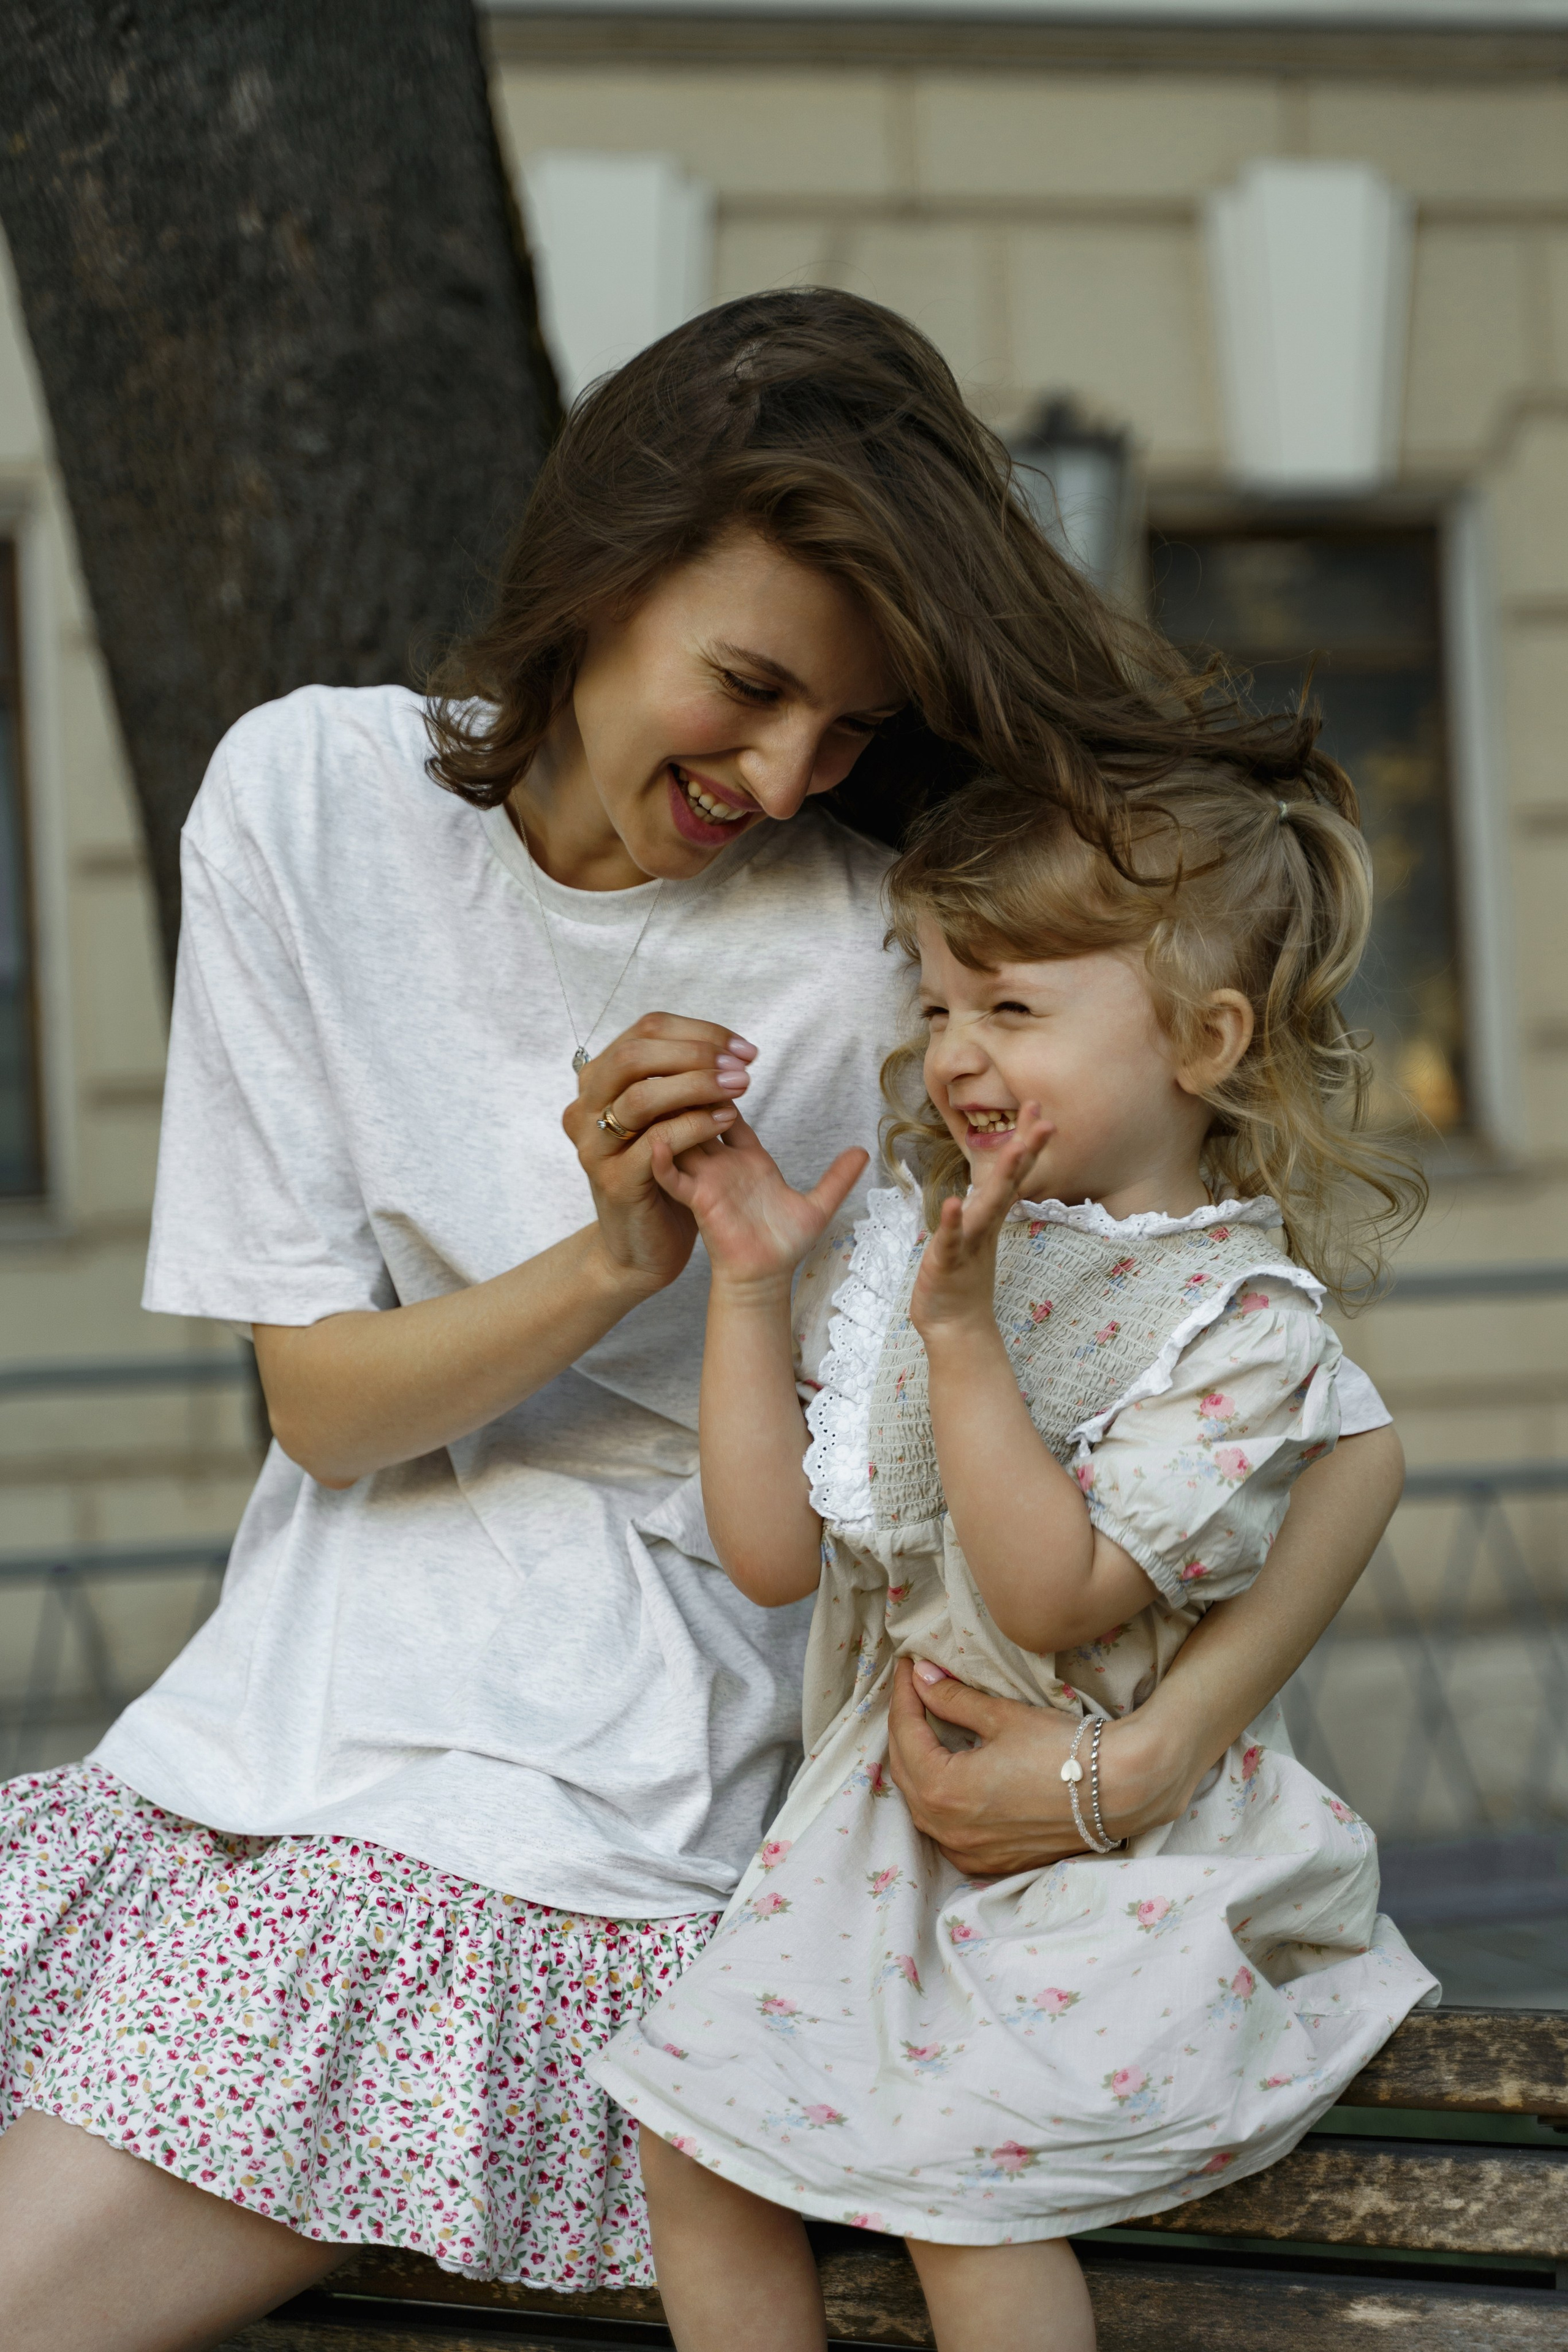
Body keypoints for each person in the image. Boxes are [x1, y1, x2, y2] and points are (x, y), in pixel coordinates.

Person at [0, 292, 1408, 2352]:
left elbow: (1313, 1404)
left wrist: (1148, 1752)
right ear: (597, 577)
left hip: (601, 1780)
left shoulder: (888, 964)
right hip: (260, 1730)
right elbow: (323, 1411)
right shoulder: (306, 803)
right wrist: (608, 1260)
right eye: (748, 687)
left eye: (841, 730)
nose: (780, 773)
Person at [594, 769, 1438, 2352]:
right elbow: (777, 1556)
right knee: (690, 2144)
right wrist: (756, 1288)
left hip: (1102, 1869)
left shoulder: (1239, 1322)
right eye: (938, 1001)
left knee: (961, 2187)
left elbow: (1059, 1596)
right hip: (873, 1846)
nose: (957, 1049)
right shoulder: (942, 1251)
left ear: (1205, 1043)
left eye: (1014, 1004)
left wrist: (967, 1341)